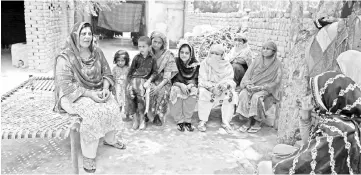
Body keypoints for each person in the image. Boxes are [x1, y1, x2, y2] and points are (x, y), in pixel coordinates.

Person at [53, 22, 125, 173]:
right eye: (83, 33)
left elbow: (107, 73)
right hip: (72, 96)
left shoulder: (97, 52)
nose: (87, 36)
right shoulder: (65, 57)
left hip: (97, 89)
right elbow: (66, 86)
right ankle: (88, 155)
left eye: (89, 33)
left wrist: (105, 88)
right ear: (75, 36)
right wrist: (90, 95)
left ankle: (110, 139)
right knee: (92, 113)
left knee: (111, 104)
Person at [272, 71, 361, 174]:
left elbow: (308, 162)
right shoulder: (345, 119)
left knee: (267, 165)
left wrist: (277, 165)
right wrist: (305, 115)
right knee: (278, 149)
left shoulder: (335, 127)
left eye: (315, 93)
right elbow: (309, 145)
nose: (312, 97)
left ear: (329, 96)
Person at [236, 41, 282, 133]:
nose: (264, 51)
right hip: (253, 85)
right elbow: (248, 74)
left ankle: (257, 121)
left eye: (268, 49)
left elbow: (277, 81)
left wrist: (263, 87)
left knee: (256, 97)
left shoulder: (277, 64)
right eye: (263, 48)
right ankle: (248, 120)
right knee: (243, 94)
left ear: (274, 51)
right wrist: (247, 84)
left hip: (265, 88)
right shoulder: (257, 60)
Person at [197, 44, 238, 133]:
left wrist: (224, 86)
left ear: (222, 55)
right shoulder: (205, 63)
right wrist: (212, 89)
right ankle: (203, 120)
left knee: (230, 94)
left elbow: (230, 80)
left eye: (217, 53)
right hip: (209, 88)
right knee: (203, 92)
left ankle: (226, 122)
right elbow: (201, 80)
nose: (214, 55)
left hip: (221, 88)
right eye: (212, 53)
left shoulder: (227, 65)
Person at [147, 31, 178, 126]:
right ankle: (146, 114)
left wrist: (158, 87)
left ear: (163, 44)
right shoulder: (147, 51)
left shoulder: (168, 55)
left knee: (163, 92)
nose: (156, 44)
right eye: (154, 41)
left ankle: (158, 116)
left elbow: (167, 77)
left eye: (159, 42)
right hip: (150, 78)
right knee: (146, 89)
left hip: (163, 81)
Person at [126, 36, 157, 130]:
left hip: (144, 81)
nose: (141, 49)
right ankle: (135, 119)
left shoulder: (152, 59)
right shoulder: (136, 58)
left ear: (149, 47)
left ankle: (142, 118)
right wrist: (129, 83)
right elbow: (131, 72)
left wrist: (149, 80)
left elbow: (155, 72)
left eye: (144, 46)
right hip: (134, 79)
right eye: (139, 47)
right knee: (129, 93)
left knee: (140, 96)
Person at [170, 43, 200, 132]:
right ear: (179, 52)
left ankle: (187, 120)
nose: (184, 55)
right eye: (182, 52)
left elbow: (196, 79)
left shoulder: (195, 64)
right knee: (176, 90)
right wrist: (180, 85)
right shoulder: (175, 62)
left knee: (193, 91)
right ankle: (179, 120)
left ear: (191, 54)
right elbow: (172, 79)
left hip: (190, 85)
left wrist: (190, 85)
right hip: (177, 84)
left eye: (187, 53)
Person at [112, 50, 130, 120]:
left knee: (127, 102)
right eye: (118, 60)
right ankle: (118, 116)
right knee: (118, 101)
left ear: (126, 60)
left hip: (126, 88)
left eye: (122, 60)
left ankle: (127, 115)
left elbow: (130, 78)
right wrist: (112, 88)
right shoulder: (115, 69)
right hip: (118, 88)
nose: (120, 62)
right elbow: (112, 79)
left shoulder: (128, 68)